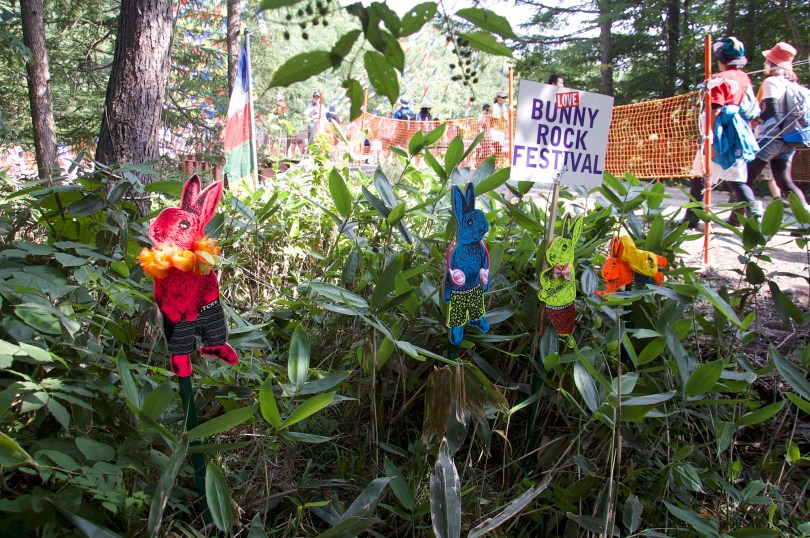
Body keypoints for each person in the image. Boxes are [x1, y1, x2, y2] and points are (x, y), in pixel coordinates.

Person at [682, 37, 760, 228]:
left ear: (721, 59)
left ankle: (691, 218)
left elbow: (715, 109)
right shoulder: (744, 78)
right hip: (738, 135)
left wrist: (711, 140)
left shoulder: (718, 80)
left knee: (700, 177)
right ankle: (757, 218)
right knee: (737, 180)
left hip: (720, 134)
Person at [745, 42, 808, 209]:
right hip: (789, 138)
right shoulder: (793, 85)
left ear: (771, 63)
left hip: (770, 137)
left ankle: (741, 219)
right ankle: (805, 220)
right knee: (785, 182)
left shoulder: (771, 82)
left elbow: (772, 110)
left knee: (744, 179)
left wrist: (755, 121)